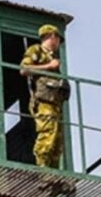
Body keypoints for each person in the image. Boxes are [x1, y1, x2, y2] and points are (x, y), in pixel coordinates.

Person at [20, 24, 68, 168]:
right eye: (58, 38)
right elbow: (23, 69)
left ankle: (54, 174)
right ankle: (43, 170)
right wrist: (48, 67)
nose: (59, 43)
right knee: (47, 134)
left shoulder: (53, 57)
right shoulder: (37, 50)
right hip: (44, 101)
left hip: (55, 102)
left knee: (57, 140)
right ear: (52, 36)